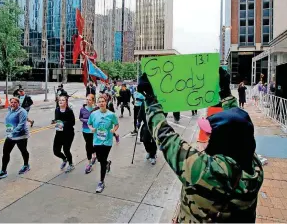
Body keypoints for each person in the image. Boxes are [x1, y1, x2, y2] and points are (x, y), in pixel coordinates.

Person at [137, 68, 263, 223]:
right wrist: (225, 93)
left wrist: (150, 99)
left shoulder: (205, 170)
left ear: (223, 142)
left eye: (213, 136)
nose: (208, 140)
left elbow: (166, 137)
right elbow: (239, 126)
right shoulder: (254, 167)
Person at [0, 97, 30, 180]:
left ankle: (26, 165)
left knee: (23, 150)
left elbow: (21, 125)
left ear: (18, 103)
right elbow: (8, 121)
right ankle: (3, 171)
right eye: (11, 102)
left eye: (15, 102)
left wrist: (12, 133)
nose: (13, 104)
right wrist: (9, 131)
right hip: (11, 135)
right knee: (6, 152)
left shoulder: (22, 111)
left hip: (21, 135)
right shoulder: (10, 109)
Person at [88, 94, 119, 193]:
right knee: (100, 159)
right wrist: (91, 128)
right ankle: (107, 163)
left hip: (107, 141)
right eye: (99, 101)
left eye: (103, 101)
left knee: (102, 161)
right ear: (97, 103)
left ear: (106, 102)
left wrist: (114, 130)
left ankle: (101, 182)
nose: (101, 103)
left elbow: (117, 124)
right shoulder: (93, 114)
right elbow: (89, 123)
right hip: (97, 141)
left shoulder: (111, 114)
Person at [53, 95, 76, 173]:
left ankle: (71, 164)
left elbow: (73, 122)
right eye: (60, 100)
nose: (61, 101)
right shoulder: (56, 110)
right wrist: (55, 122)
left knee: (66, 150)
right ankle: (64, 159)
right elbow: (57, 120)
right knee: (56, 151)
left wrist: (63, 123)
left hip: (68, 133)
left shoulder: (69, 111)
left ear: (66, 102)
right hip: (59, 133)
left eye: (63, 100)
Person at [79, 94, 96, 174]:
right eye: (87, 99)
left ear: (93, 101)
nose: (88, 101)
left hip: (94, 131)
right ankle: (89, 163)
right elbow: (80, 118)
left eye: (90, 100)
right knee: (88, 145)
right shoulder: (82, 109)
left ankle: (94, 155)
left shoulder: (96, 109)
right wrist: (86, 121)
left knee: (93, 145)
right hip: (85, 131)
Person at [137, 100, 157, 165]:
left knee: (154, 141)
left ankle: (153, 155)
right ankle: (149, 151)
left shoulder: (157, 101)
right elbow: (141, 112)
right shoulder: (144, 102)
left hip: (154, 124)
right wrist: (139, 121)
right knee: (145, 140)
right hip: (146, 124)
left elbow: (163, 113)